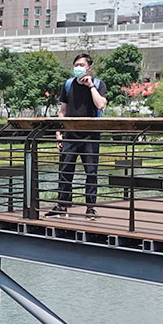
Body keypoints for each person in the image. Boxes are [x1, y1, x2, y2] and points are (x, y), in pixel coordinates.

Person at [48, 52, 108, 217]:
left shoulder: (98, 84)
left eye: (81, 65)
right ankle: (62, 206)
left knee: (91, 172)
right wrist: (58, 133)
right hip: (71, 135)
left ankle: (90, 208)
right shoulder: (68, 85)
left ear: (89, 68)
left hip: (91, 136)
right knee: (66, 171)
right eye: (76, 65)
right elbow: (62, 111)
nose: (78, 68)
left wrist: (91, 87)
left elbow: (101, 105)